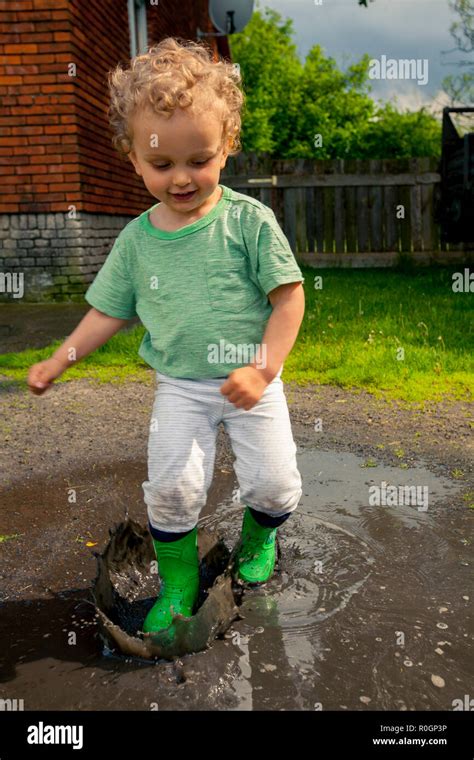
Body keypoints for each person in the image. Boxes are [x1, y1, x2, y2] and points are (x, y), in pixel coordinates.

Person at [27, 37, 305, 636]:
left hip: (252, 379)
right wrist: (60, 358)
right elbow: (108, 312)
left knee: (275, 484)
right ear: (132, 156)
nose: (181, 178)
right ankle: (178, 582)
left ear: (227, 147)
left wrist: (262, 368)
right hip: (181, 386)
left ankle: (259, 540)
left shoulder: (248, 223)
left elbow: (289, 298)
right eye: (162, 165)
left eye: (198, 160)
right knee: (174, 489)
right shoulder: (135, 241)